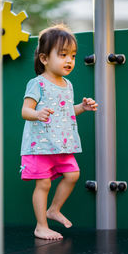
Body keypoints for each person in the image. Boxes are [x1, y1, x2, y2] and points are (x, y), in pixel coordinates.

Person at [20, 24, 98, 240]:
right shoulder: (37, 84)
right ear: (44, 58)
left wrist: (82, 108)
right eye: (63, 55)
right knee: (43, 183)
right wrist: (38, 114)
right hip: (40, 145)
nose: (69, 61)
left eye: (72, 55)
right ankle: (41, 226)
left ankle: (53, 209)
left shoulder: (68, 85)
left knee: (73, 174)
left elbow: (65, 111)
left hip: (62, 144)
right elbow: (25, 111)